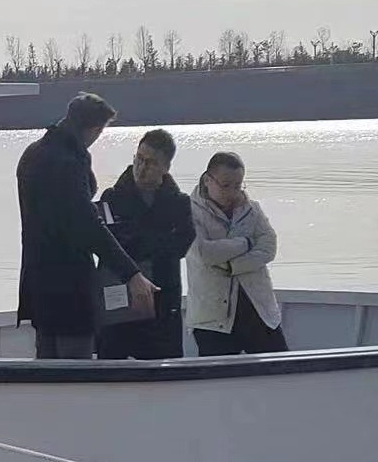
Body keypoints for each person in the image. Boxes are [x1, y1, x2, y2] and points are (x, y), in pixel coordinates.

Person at [17, 93, 154, 359]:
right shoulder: (68, 163)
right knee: (74, 371)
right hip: (69, 286)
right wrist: (132, 274)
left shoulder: (32, 154)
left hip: (37, 280)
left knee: (46, 365)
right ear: (94, 129)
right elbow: (87, 225)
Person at [95, 130, 195, 359]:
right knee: (111, 369)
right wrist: (154, 242)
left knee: (165, 373)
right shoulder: (111, 198)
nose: (141, 167)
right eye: (139, 158)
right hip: (119, 298)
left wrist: (138, 241)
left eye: (150, 163)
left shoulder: (179, 203)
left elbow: (181, 245)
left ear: (165, 167)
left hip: (162, 301)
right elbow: (109, 244)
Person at [185, 151, 286, 355]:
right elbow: (205, 254)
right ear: (207, 180)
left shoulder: (252, 209)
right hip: (211, 319)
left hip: (258, 310)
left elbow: (268, 247)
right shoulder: (187, 212)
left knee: (281, 373)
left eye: (238, 185)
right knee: (217, 383)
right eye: (225, 185)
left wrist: (232, 266)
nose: (232, 192)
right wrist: (246, 242)